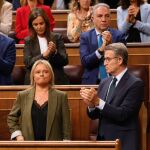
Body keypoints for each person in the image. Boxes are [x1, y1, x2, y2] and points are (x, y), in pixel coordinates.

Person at [80, 42, 144, 150]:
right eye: (104, 59)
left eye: (108, 59)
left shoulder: (135, 84)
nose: (104, 63)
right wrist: (91, 105)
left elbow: (123, 114)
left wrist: (97, 102)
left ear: (119, 60)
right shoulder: (104, 82)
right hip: (103, 142)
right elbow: (96, 115)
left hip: (124, 142)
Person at [7, 59, 71, 141]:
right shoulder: (22, 95)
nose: (41, 74)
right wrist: (18, 135)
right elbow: (12, 118)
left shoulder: (61, 96)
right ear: (33, 75)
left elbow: (66, 125)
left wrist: (66, 144)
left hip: (53, 146)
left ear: (51, 75)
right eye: (38, 72)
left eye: (45, 72)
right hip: (28, 146)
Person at [80, 3, 125, 84]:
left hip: (114, 81)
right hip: (92, 82)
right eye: (100, 16)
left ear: (110, 18)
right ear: (93, 18)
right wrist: (101, 50)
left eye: (107, 16)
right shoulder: (85, 37)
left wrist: (111, 45)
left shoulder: (119, 35)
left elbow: (122, 61)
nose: (104, 19)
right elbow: (85, 62)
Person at [24, 8, 69, 85]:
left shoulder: (57, 37)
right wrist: (44, 55)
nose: (39, 27)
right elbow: (28, 63)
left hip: (56, 78)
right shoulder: (28, 41)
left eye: (41, 23)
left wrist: (54, 52)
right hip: (35, 80)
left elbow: (65, 61)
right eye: (35, 24)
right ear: (32, 26)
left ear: (46, 23)